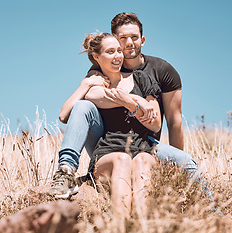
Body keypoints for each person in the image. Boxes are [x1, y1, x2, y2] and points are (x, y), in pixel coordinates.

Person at [47, 12, 212, 202]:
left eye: (134, 37)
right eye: (122, 38)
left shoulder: (161, 71)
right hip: (106, 141)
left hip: (145, 141)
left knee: (185, 161)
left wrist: (172, 167)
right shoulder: (103, 68)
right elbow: (92, 97)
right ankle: (65, 172)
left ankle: (215, 213)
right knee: (84, 106)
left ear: (142, 39)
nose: (128, 43)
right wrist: (135, 100)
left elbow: (174, 121)